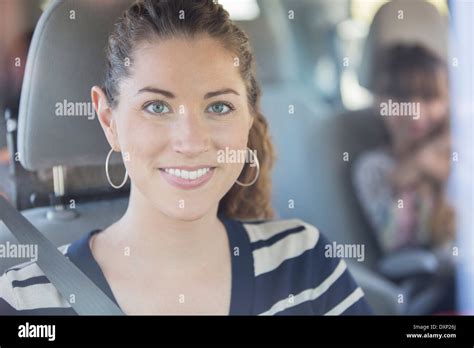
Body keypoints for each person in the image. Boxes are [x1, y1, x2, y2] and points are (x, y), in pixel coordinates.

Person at [0, 0, 371, 315]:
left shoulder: (306, 268)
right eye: (157, 106)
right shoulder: (22, 301)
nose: (191, 142)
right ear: (109, 120)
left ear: (250, 116)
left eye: (220, 106)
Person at [352, 44, 455, 313]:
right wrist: (416, 171)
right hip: (432, 284)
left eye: (430, 98)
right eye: (402, 100)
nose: (415, 113)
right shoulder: (374, 169)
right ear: (380, 103)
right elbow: (398, 243)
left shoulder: (455, 154)